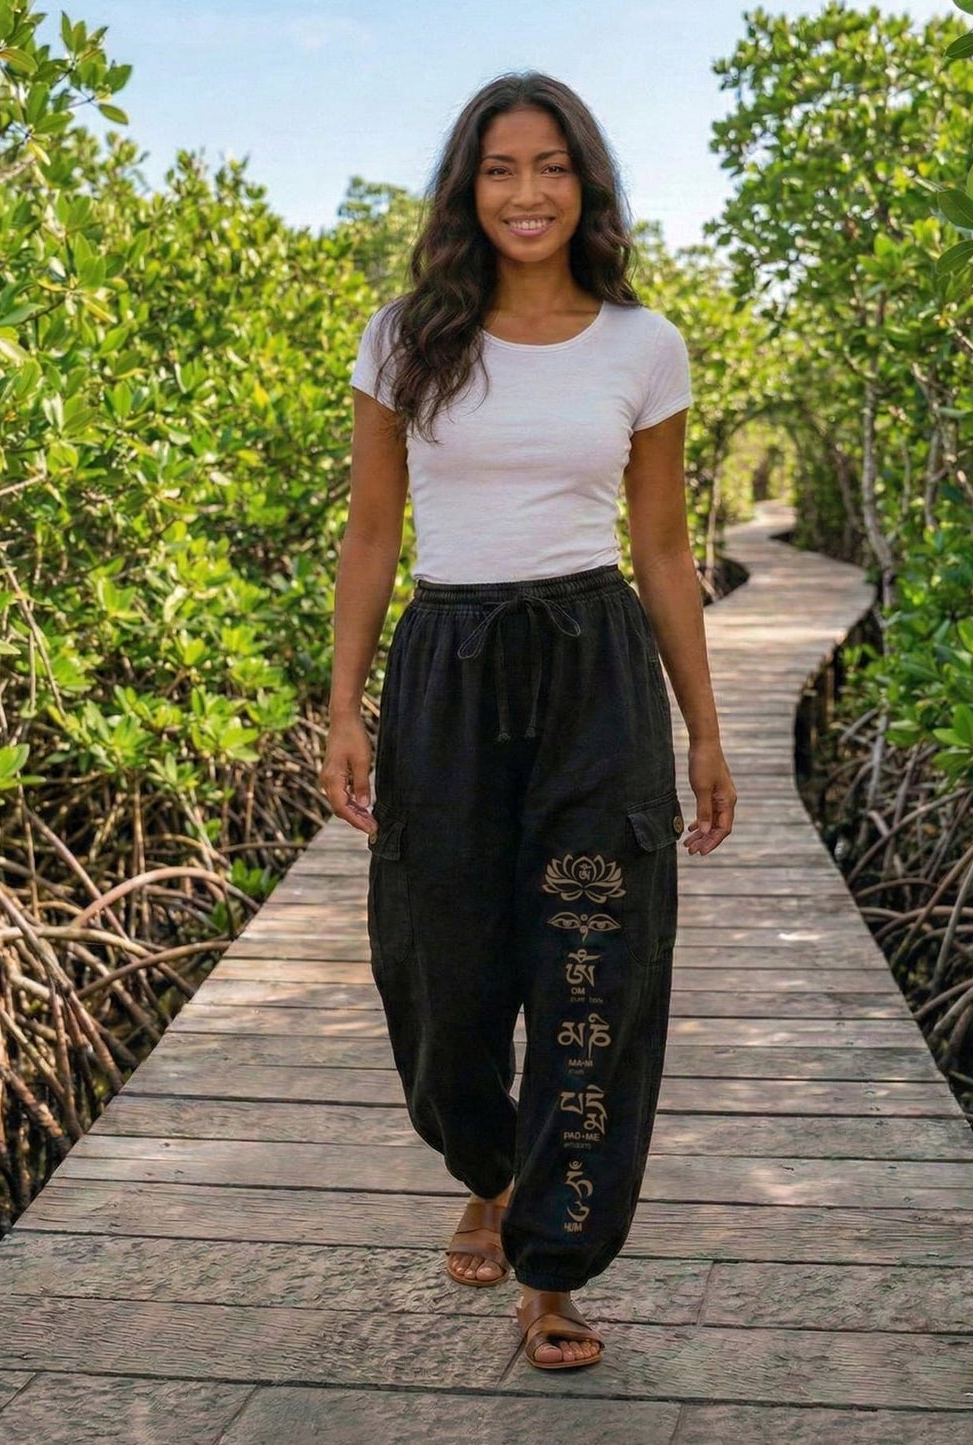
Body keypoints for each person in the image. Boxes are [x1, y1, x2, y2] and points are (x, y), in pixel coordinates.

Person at [322, 70, 735, 1372]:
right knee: (440, 968)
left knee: (591, 964)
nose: (526, 193)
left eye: (550, 167)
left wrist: (704, 730)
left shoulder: (641, 345)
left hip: (591, 666)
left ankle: (553, 1261)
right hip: (445, 663)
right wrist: (342, 702)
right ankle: (488, 1163)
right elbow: (373, 531)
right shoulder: (403, 336)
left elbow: (663, 549)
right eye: (499, 169)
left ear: (587, 185)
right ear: (465, 189)